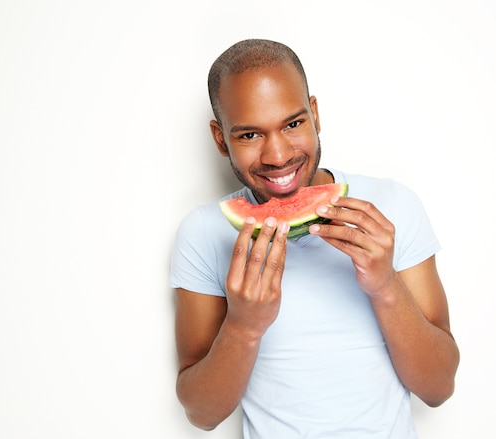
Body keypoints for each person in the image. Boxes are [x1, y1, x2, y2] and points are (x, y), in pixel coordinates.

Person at [169, 39, 460, 438]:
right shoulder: (203, 233)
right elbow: (201, 413)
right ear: (220, 139)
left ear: (315, 114)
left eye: (293, 124)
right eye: (250, 135)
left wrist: (386, 287)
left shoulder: (393, 205)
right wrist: (244, 327)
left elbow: (439, 388)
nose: (277, 155)